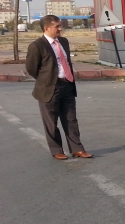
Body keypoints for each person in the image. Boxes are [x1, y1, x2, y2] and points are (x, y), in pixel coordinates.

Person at [25, 15, 93, 160]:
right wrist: (45, 80)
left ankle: (77, 149)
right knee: (51, 122)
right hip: (49, 88)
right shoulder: (37, 45)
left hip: (67, 85)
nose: (60, 29)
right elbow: (31, 68)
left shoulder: (63, 42)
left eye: (60, 26)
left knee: (71, 119)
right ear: (46, 28)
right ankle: (57, 150)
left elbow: (66, 62)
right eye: (57, 26)